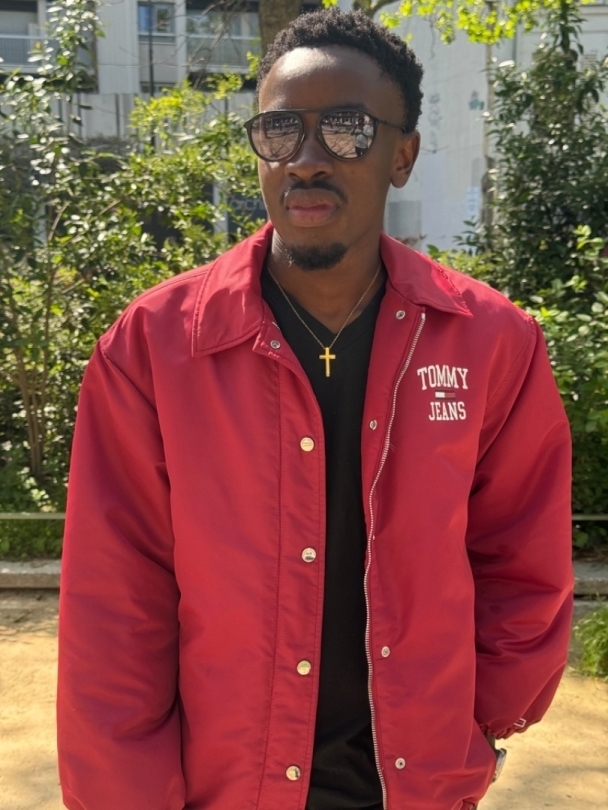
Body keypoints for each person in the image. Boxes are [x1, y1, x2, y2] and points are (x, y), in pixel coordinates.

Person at [57, 9, 573, 810]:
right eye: (279, 130)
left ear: (403, 156)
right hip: (224, 788)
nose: (304, 159)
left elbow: (522, 555)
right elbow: (116, 602)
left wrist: (478, 727)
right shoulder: (155, 347)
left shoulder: (490, 342)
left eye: (345, 130)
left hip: (416, 786)